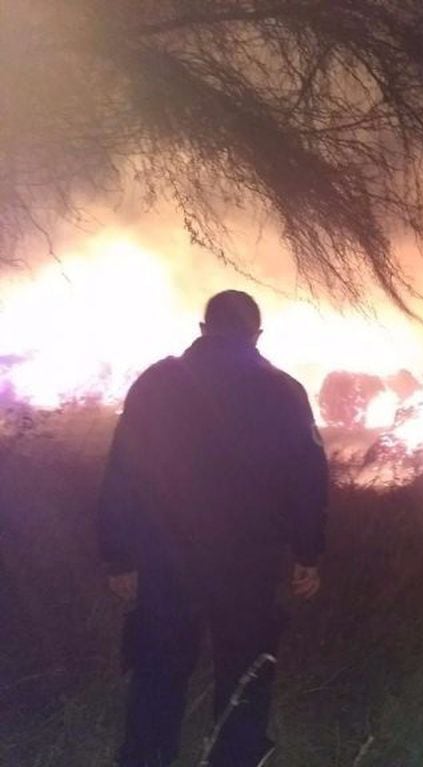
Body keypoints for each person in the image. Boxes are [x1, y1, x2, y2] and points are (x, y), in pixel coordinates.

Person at [97, 290, 328, 767]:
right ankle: (235, 758)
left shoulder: (156, 384)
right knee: (245, 672)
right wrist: (308, 553)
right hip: (248, 559)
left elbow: (123, 470)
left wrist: (119, 554)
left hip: (166, 555)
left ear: (204, 330)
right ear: (256, 335)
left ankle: (146, 758)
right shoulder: (283, 390)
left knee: (157, 669)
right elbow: (308, 477)